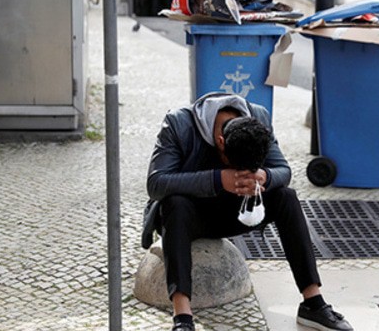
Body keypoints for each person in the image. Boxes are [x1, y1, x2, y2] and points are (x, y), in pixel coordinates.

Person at [143, 92, 353, 331]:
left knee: (286, 196)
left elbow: (283, 170)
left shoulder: (258, 119)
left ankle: (313, 303)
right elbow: (156, 184)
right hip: (189, 215)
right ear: (221, 141)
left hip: (237, 211)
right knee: (175, 204)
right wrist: (218, 179)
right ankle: (182, 317)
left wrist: (265, 176)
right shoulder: (178, 123)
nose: (241, 173)